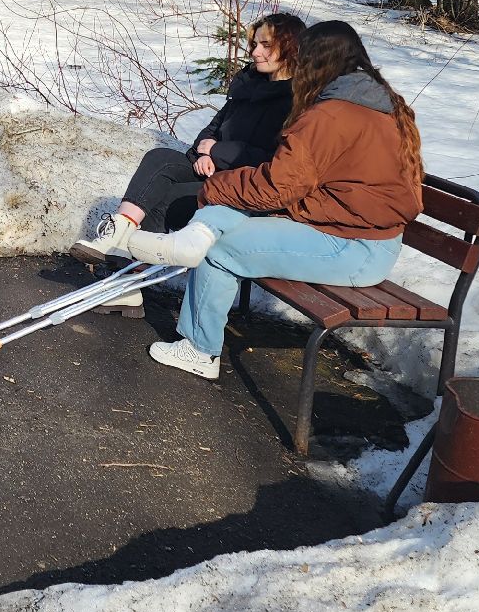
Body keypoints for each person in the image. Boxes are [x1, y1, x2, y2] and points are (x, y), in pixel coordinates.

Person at [116, 20, 425, 379]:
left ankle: (198, 350)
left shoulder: (330, 115)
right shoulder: (380, 103)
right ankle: (192, 237)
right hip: (356, 234)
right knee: (232, 215)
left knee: (221, 250)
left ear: (316, 62)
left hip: (353, 248)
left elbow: (277, 187)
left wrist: (214, 187)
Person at [70, 13, 306, 314]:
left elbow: (275, 162)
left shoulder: (297, 101)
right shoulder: (248, 85)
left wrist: (218, 151)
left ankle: (126, 283)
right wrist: (205, 154)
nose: (255, 52)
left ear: (289, 47)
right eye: (254, 44)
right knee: (159, 159)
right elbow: (209, 131)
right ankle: (116, 238)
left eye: (266, 45)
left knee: (163, 199)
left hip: (244, 192)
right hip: (212, 173)